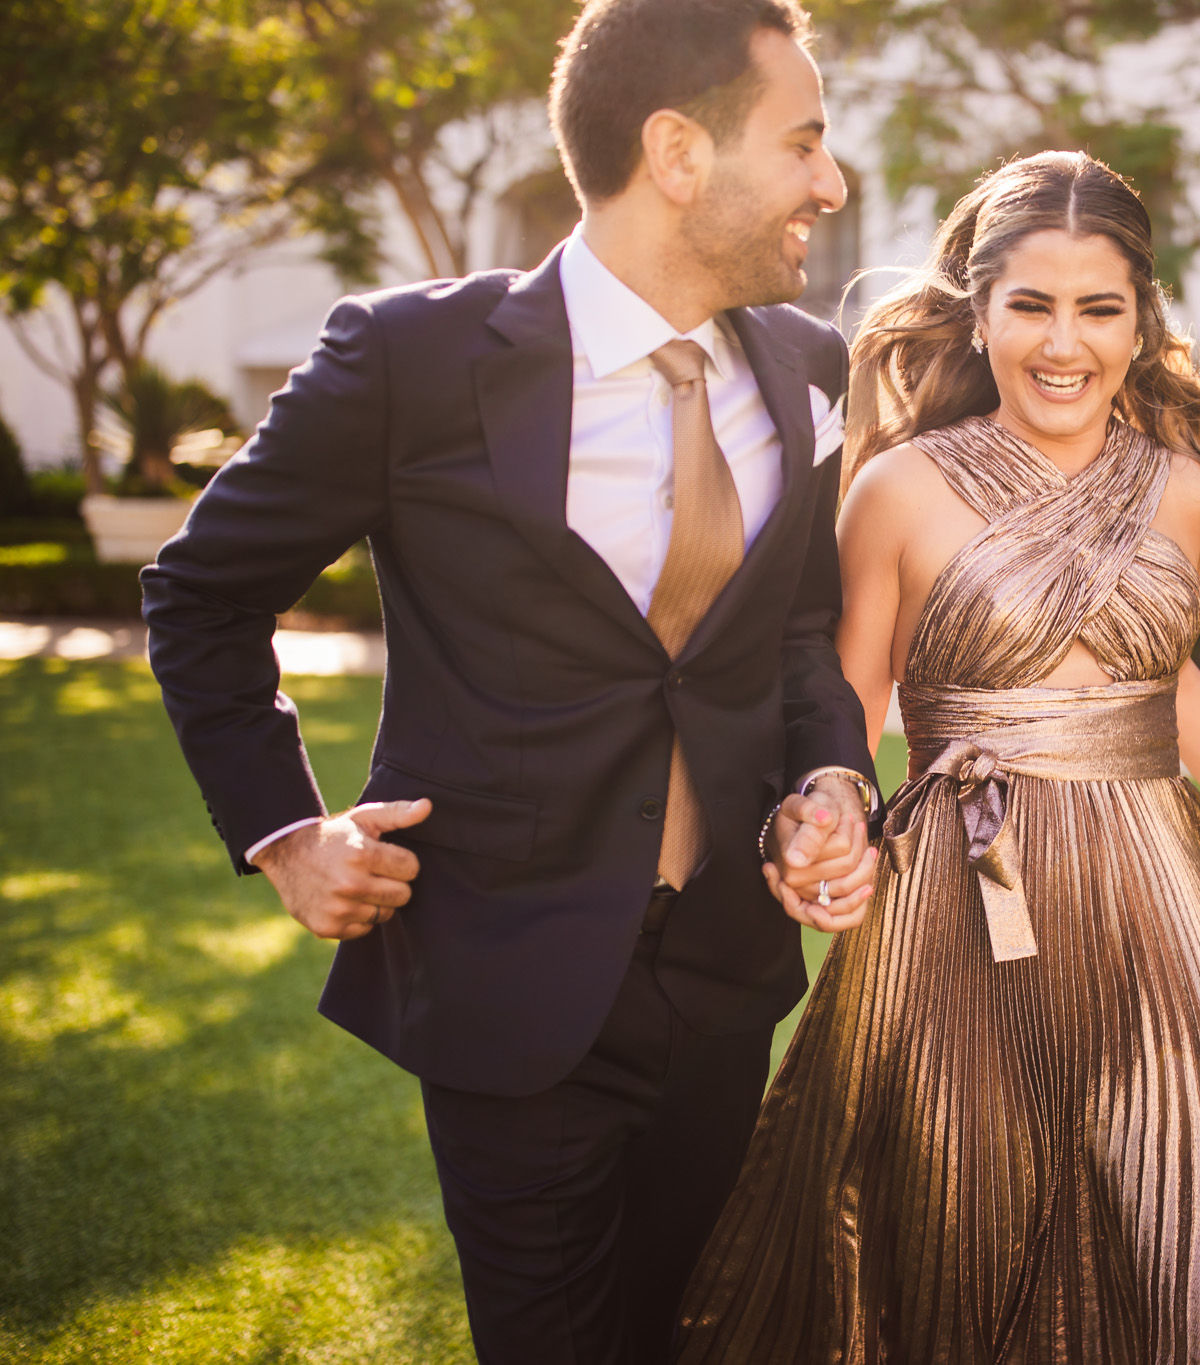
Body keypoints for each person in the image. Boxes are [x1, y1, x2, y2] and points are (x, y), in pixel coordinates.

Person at [140, 3, 878, 1361]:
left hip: (722, 977)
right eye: (805, 143)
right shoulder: (407, 360)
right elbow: (202, 594)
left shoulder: (805, 366)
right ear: (676, 151)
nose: (829, 185)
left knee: (701, 1336)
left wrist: (832, 777)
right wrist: (286, 832)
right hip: (507, 979)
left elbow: (794, 638)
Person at [672, 150, 1200, 1363]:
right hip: (962, 883)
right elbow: (846, 693)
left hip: (1154, 891)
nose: (1065, 342)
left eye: (1100, 308)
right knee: (961, 1204)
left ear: (1140, 321)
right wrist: (826, 813)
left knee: (1183, 1185)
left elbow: (1169, 676)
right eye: (1031, 305)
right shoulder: (897, 486)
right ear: (977, 312)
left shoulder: (1182, 488)